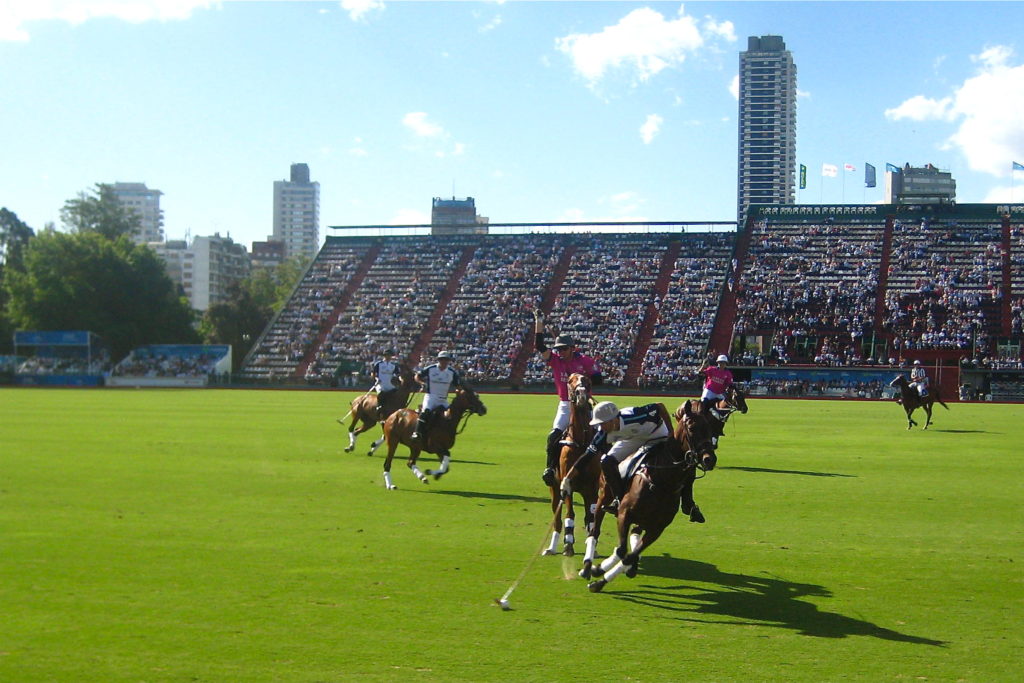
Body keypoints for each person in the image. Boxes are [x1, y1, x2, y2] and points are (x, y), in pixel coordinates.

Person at [534, 309, 603, 487]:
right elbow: (539, 346)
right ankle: (550, 468)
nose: (561, 352)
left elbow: (599, 380)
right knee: (554, 435)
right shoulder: (555, 360)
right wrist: (539, 322)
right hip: (566, 404)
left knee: (606, 431)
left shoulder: (585, 361)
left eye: (564, 349)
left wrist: (584, 380)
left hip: (586, 402)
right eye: (558, 349)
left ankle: (608, 470)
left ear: (573, 348)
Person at [579, 401, 673, 513]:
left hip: (656, 433)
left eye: (603, 423)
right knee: (607, 462)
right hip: (634, 438)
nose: (601, 427)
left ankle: (688, 501)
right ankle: (619, 499)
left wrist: (671, 430)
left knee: (678, 457)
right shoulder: (603, 433)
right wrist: (568, 479)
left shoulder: (633, 416)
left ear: (612, 419)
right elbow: (588, 455)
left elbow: (659, 406)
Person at [410, 351, 462, 441]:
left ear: (449, 361)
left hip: (443, 399)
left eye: (446, 360)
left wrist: (458, 391)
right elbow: (417, 376)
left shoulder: (452, 372)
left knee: (453, 414)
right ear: (438, 360)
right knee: (425, 412)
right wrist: (422, 383)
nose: (444, 362)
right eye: (442, 359)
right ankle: (417, 432)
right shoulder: (431, 368)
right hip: (431, 397)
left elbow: (458, 386)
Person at [698, 353, 735, 418]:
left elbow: (730, 385)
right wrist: (703, 366)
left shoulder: (728, 374)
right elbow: (700, 374)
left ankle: (721, 419)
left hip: (719, 393)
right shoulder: (712, 369)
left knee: (726, 405)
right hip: (709, 390)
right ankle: (701, 417)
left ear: (726, 363)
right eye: (720, 362)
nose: (721, 364)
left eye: (723, 363)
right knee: (704, 402)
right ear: (717, 362)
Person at [371, 350, 401, 421]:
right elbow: (373, 373)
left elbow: (398, 374)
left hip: (390, 385)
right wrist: (376, 378)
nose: (388, 357)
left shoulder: (393, 365)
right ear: (384, 356)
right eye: (387, 355)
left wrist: (400, 379)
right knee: (381, 394)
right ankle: (379, 407)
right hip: (380, 384)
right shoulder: (379, 364)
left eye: (389, 355)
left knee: (397, 394)